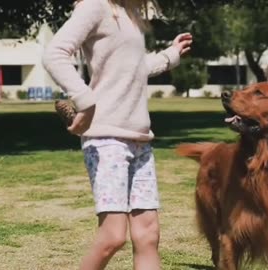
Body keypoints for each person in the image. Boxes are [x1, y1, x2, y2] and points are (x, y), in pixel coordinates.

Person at [42, 0, 192, 269]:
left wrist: (170, 55)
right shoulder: (95, 6)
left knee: (148, 234)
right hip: (106, 140)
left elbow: (132, 67)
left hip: (140, 140)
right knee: (113, 236)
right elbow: (54, 54)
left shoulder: (130, 14)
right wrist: (84, 100)